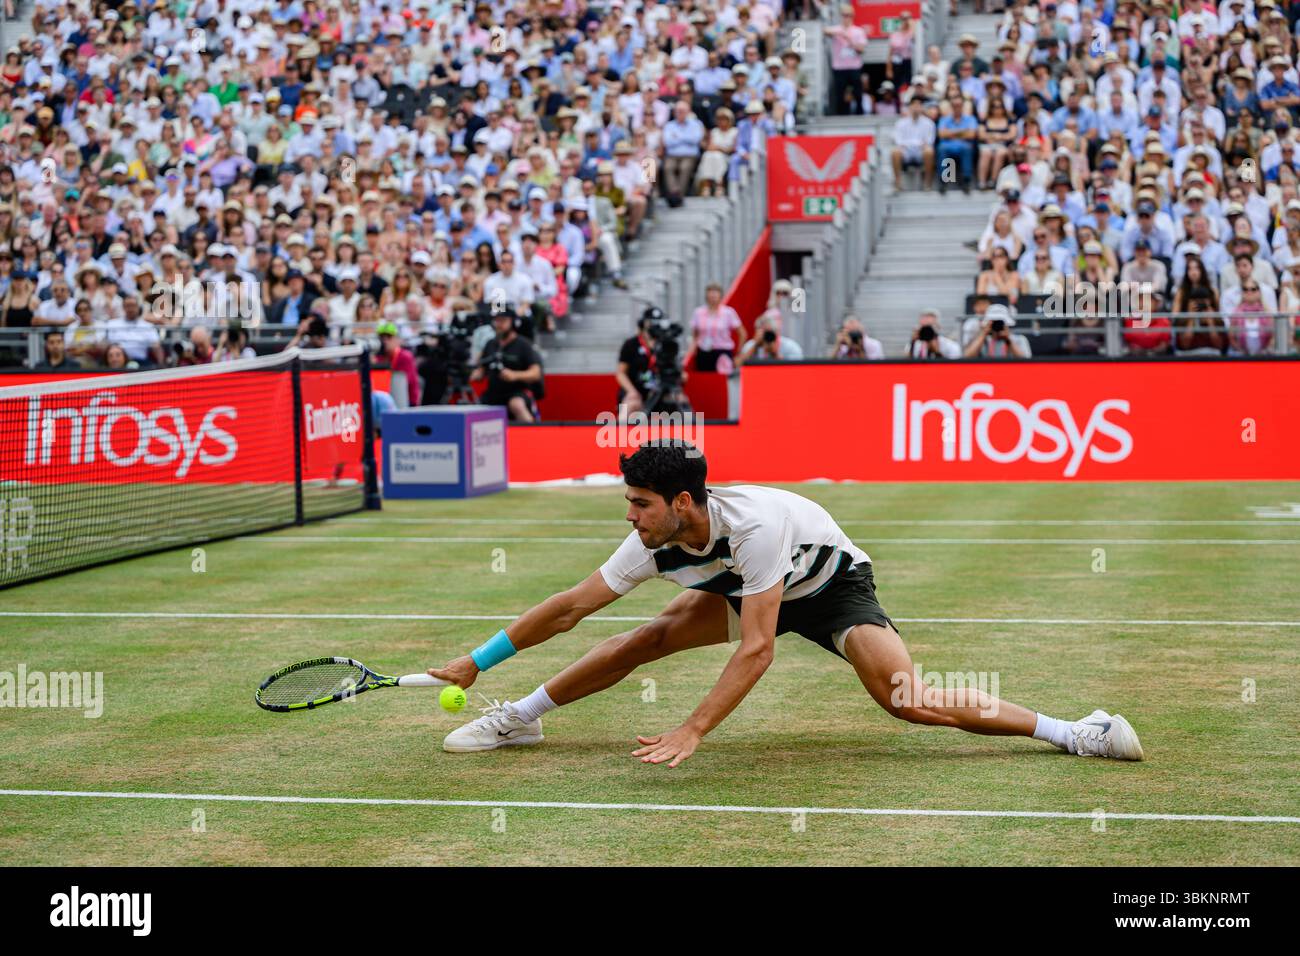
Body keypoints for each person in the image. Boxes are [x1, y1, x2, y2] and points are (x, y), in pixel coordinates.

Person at [430, 441, 1145, 764]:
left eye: (639, 504)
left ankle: (1074, 730)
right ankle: (519, 721)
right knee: (646, 637)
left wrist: (694, 729)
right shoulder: (654, 538)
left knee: (906, 697)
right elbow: (567, 609)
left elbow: (760, 647)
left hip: (829, 588)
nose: (630, 516)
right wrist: (478, 659)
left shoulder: (757, 526)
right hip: (749, 587)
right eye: (628, 503)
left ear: (683, 502)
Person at [472, 310, 544, 422]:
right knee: (475, 409)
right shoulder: (490, 344)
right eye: (497, 321)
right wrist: (473, 374)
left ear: (513, 323)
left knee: (516, 405)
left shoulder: (523, 344)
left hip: (517, 391)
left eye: (503, 321)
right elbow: (481, 370)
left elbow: (536, 373)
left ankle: (532, 433)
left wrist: (515, 375)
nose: (499, 324)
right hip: (493, 393)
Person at [377, 320, 422, 406]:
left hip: (406, 401)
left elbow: (408, 383)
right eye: (382, 338)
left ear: (397, 339)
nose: (385, 341)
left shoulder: (405, 357)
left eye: (389, 337)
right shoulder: (378, 357)